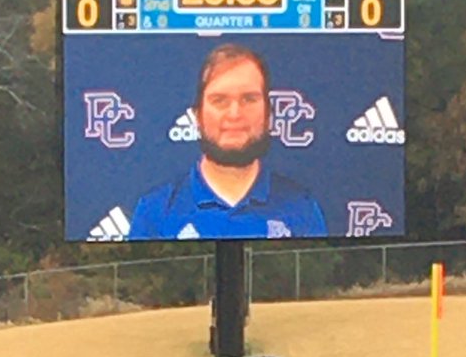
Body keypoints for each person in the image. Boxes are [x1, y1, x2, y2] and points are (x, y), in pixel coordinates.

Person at [129, 44, 328, 240]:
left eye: (249, 99)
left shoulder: (302, 209)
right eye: (220, 101)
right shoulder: (155, 212)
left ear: (269, 113)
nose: (234, 114)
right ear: (198, 115)